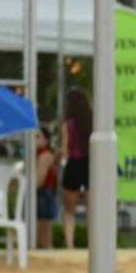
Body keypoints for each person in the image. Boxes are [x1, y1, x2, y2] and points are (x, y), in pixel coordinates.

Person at [58, 89, 92, 250]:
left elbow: (64, 150)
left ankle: (70, 246)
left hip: (74, 165)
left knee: (69, 211)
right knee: (91, 209)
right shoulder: (93, 121)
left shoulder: (67, 124)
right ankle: (91, 244)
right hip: (91, 166)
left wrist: (59, 157)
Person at [34, 125, 58, 249]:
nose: (34, 140)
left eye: (37, 137)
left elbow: (39, 181)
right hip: (43, 195)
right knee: (40, 236)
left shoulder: (44, 155)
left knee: (44, 237)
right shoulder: (38, 155)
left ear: (46, 140)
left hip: (42, 195)